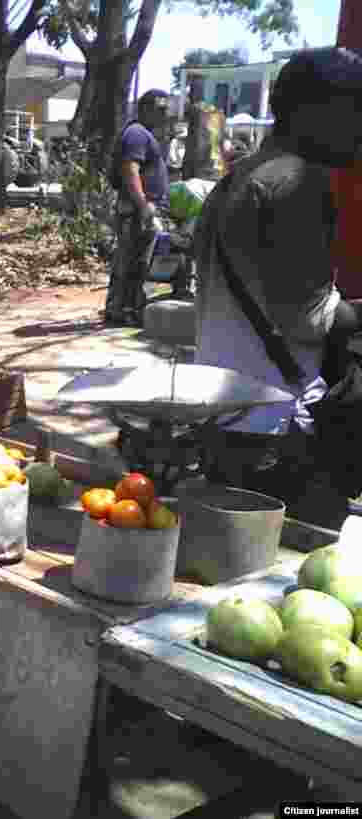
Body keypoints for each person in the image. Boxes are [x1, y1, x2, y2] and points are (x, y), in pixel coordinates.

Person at [193, 46, 362, 531]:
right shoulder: (299, 183)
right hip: (280, 436)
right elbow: (308, 320)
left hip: (228, 423)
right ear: (316, 111)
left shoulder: (239, 179)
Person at [105, 89, 171, 326]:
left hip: (139, 209)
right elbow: (130, 169)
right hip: (137, 210)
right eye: (160, 109)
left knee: (136, 260)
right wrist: (143, 205)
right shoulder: (137, 133)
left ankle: (124, 308)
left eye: (167, 109)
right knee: (134, 261)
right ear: (145, 109)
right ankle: (125, 310)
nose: (165, 114)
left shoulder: (144, 134)